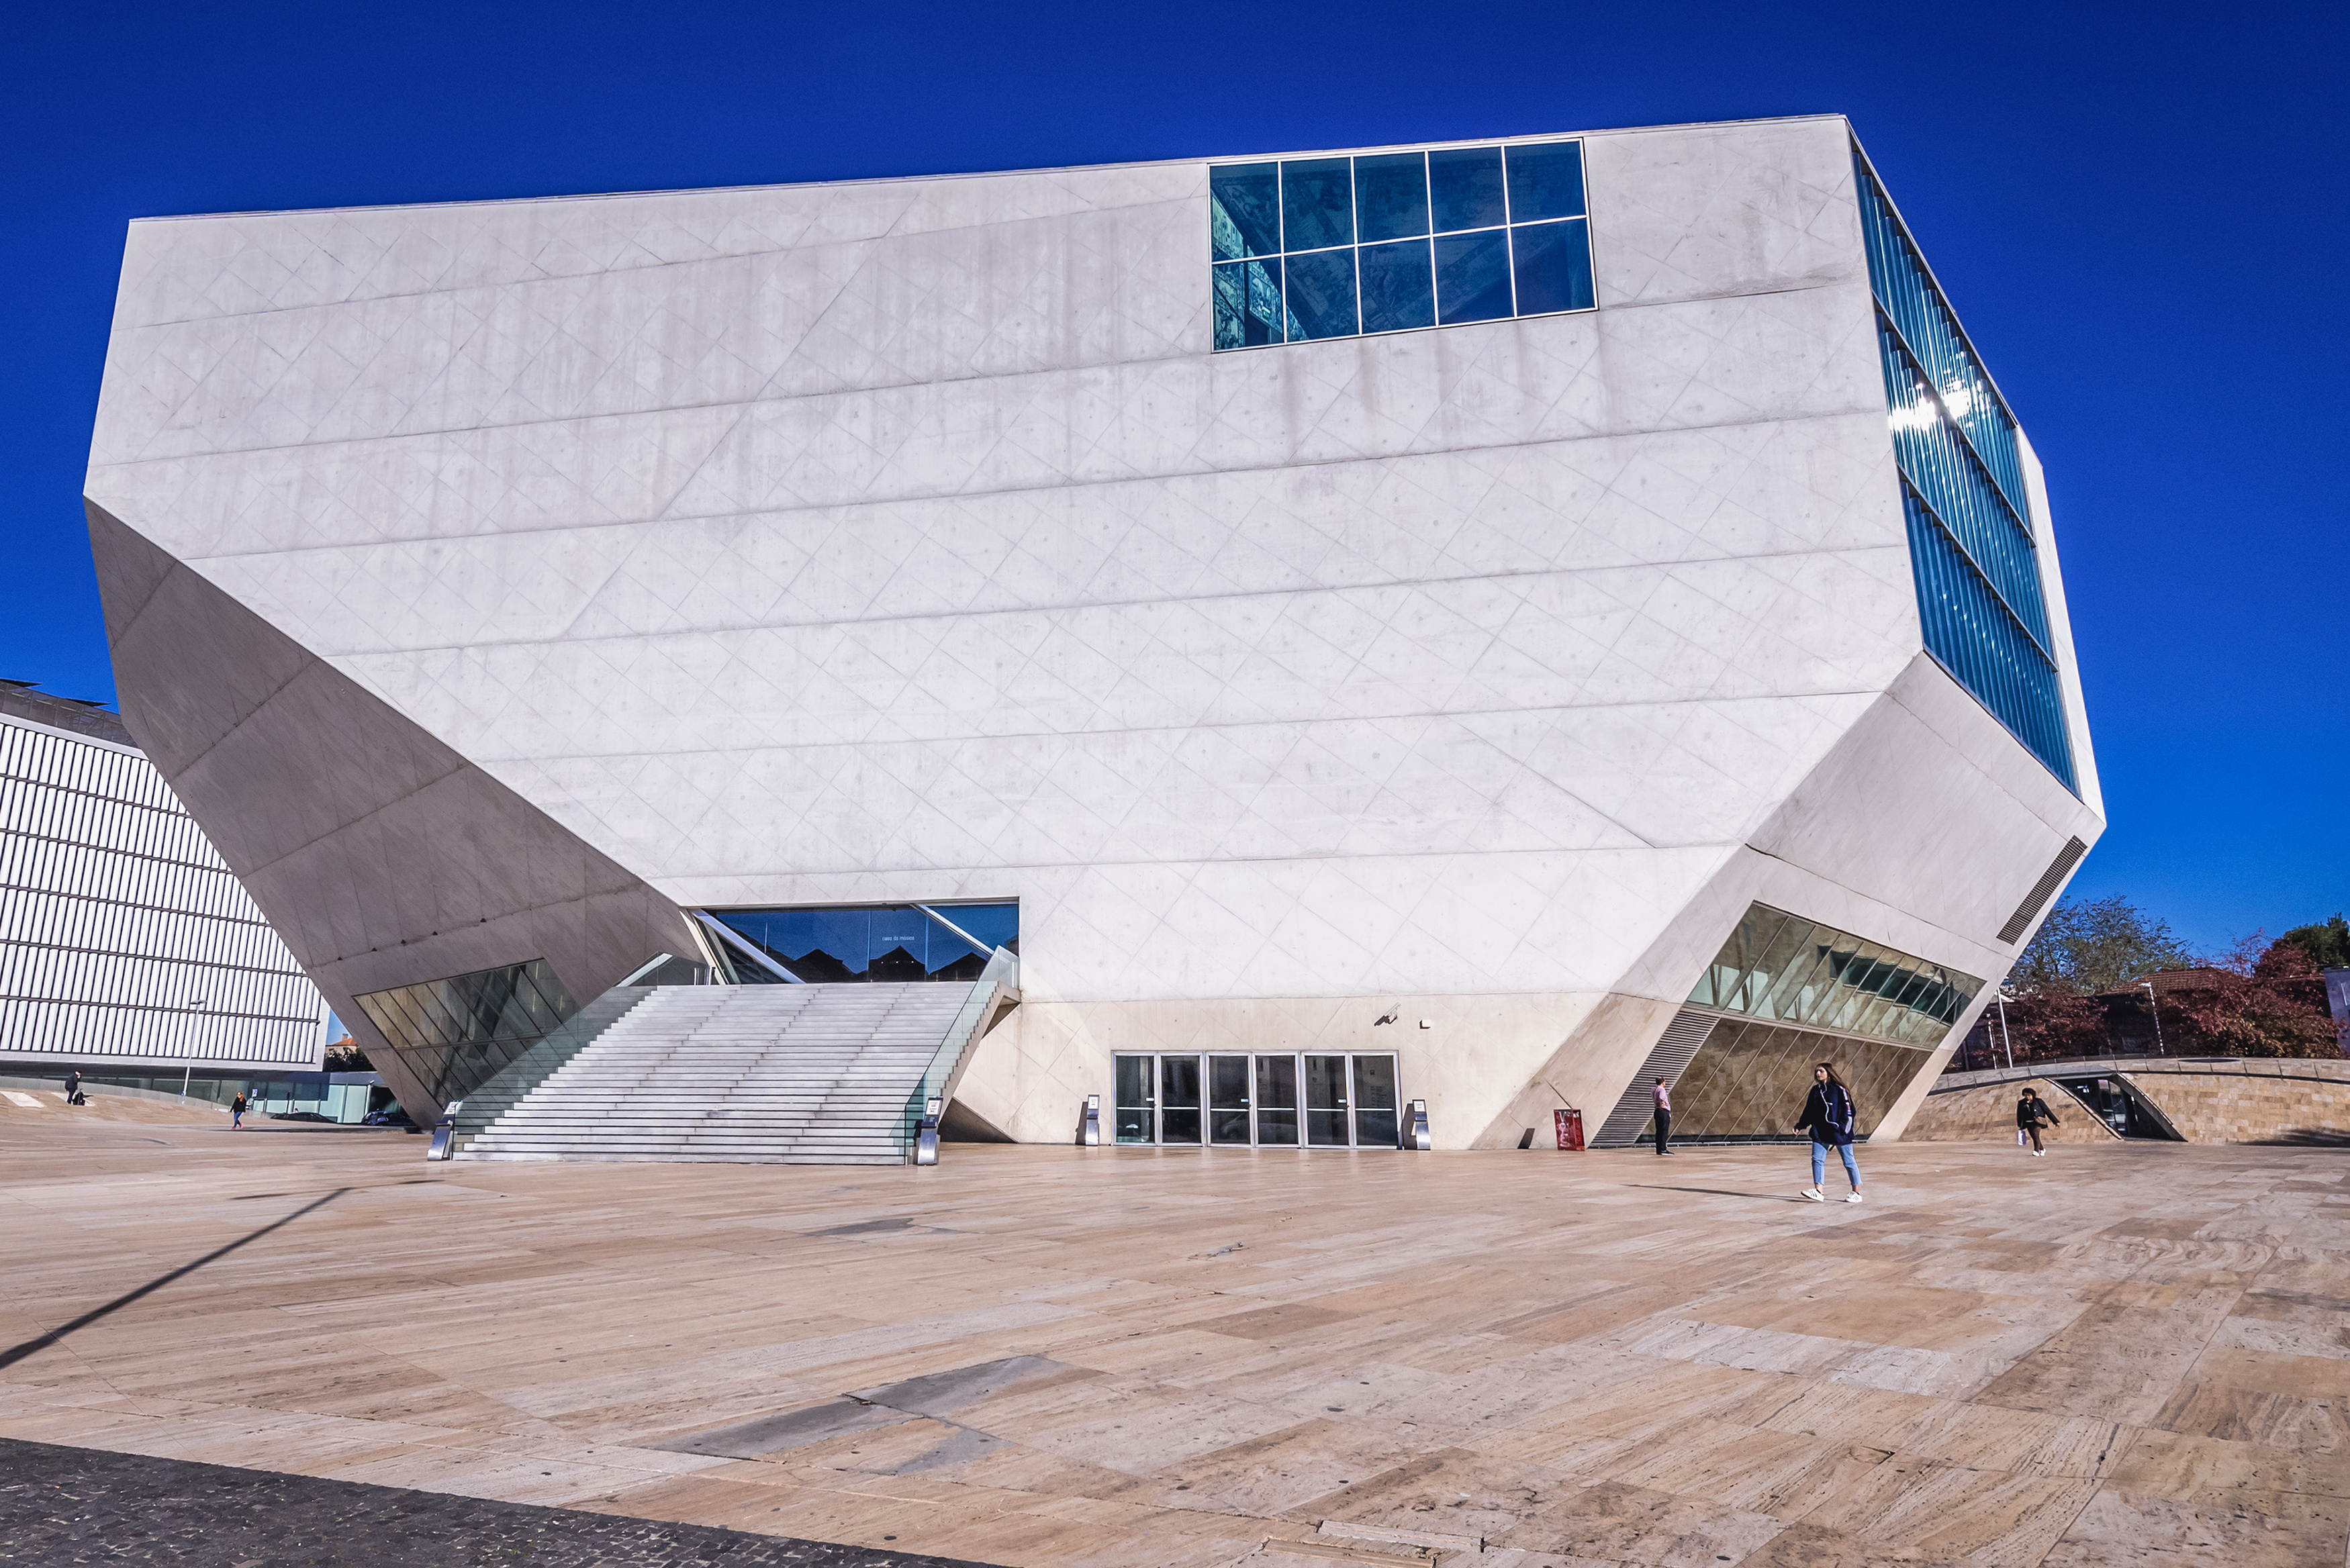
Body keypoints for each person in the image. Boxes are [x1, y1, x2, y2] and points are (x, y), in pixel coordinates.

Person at [1793, 1063, 1861, 1203]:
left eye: (1821, 1071)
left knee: (1849, 1161)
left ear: (1829, 1073)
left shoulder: (1840, 1090)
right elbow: (1809, 1110)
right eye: (1816, 1072)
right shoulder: (1815, 1090)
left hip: (1839, 1133)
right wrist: (1800, 1125)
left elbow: (1849, 1112)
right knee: (1817, 1160)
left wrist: (1843, 1129)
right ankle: (1819, 1191)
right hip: (1820, 1132)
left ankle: (1857, 1192)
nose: (1818, 1074)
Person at [2016, 1087, 2060, 1155]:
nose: (2027, 1097)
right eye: (2026, 1095)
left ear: (2032, 1095)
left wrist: (2055, 1121)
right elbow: (2019, 1114)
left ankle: (2036, 1151)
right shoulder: (2022, 1103)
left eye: (2029, 1095)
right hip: (2028, 1122)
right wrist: (2020, 1125)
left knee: (2035, 1135)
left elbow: (2047, 1111)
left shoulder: (2038, 1101)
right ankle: (2042, 1149)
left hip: (2038, 1122)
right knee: (2034, 1137)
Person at [1651, 1077, 1674, 1155]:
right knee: (1664, 1130)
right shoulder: (1662, 1090)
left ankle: (1659, 1149)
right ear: (1663, 1083)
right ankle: (1663, 1149)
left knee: (1659, 1131)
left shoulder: (1654, 1090)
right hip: (1663, 1111)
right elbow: (1661, 1097)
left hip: (1657, 1111)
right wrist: (1662, 1104)